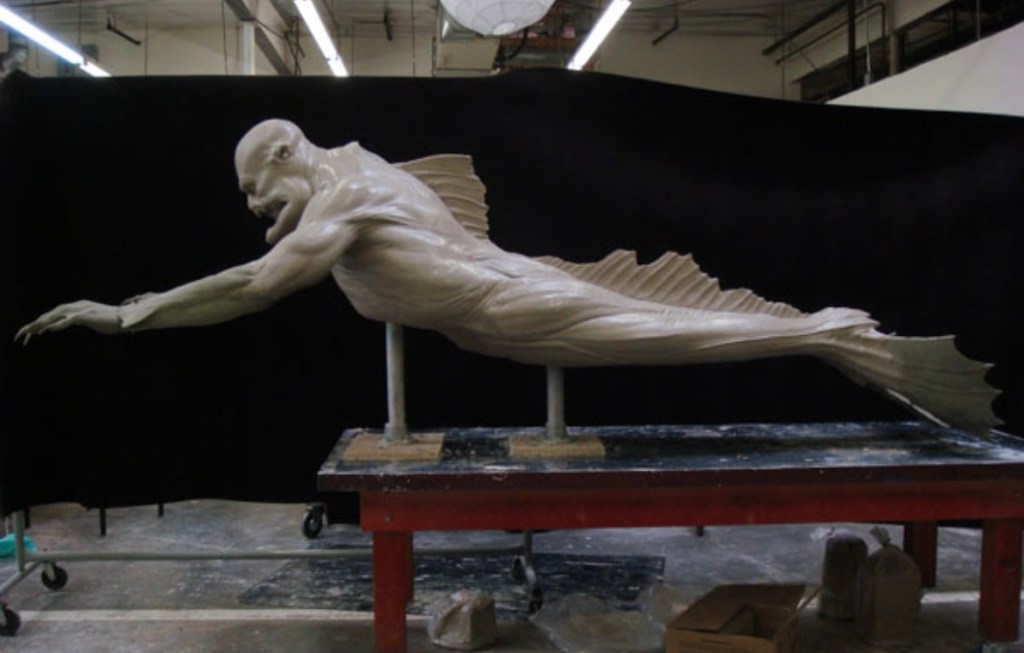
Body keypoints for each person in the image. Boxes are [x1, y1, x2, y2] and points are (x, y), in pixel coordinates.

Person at [16, 119, 999, 432]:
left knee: (681, 337)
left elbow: (256, 286)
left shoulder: (342, 194)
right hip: (503, 295)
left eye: (254, 187)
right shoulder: (364, 170)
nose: (252, 206)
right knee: (672, 331)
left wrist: (132, 313)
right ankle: (832, 335)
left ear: (284, 153)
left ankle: (838, 335)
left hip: (507, 302)